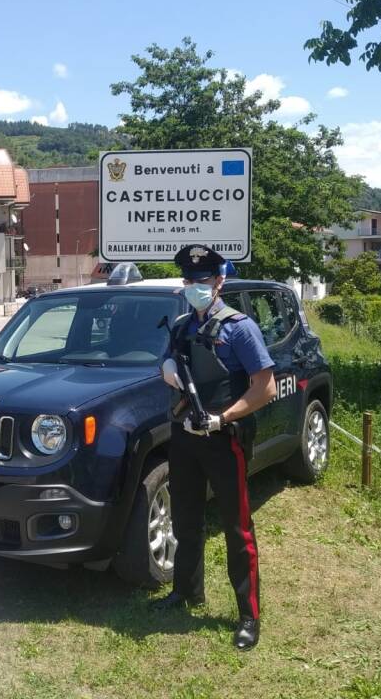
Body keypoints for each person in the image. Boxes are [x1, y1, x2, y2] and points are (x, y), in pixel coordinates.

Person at [152, 244, 276, 652]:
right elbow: (170, 364)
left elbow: (265, 387)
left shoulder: (241, 328)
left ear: (219, 281)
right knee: (185, 520)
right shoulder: (184, 326)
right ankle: (186, 593)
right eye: (189, 280)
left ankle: (248, 615)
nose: (194, 286)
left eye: (202, 280)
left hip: (225, 440)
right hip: (185, 436)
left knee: (237, 529)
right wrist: (169, 372)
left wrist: (224, 418)